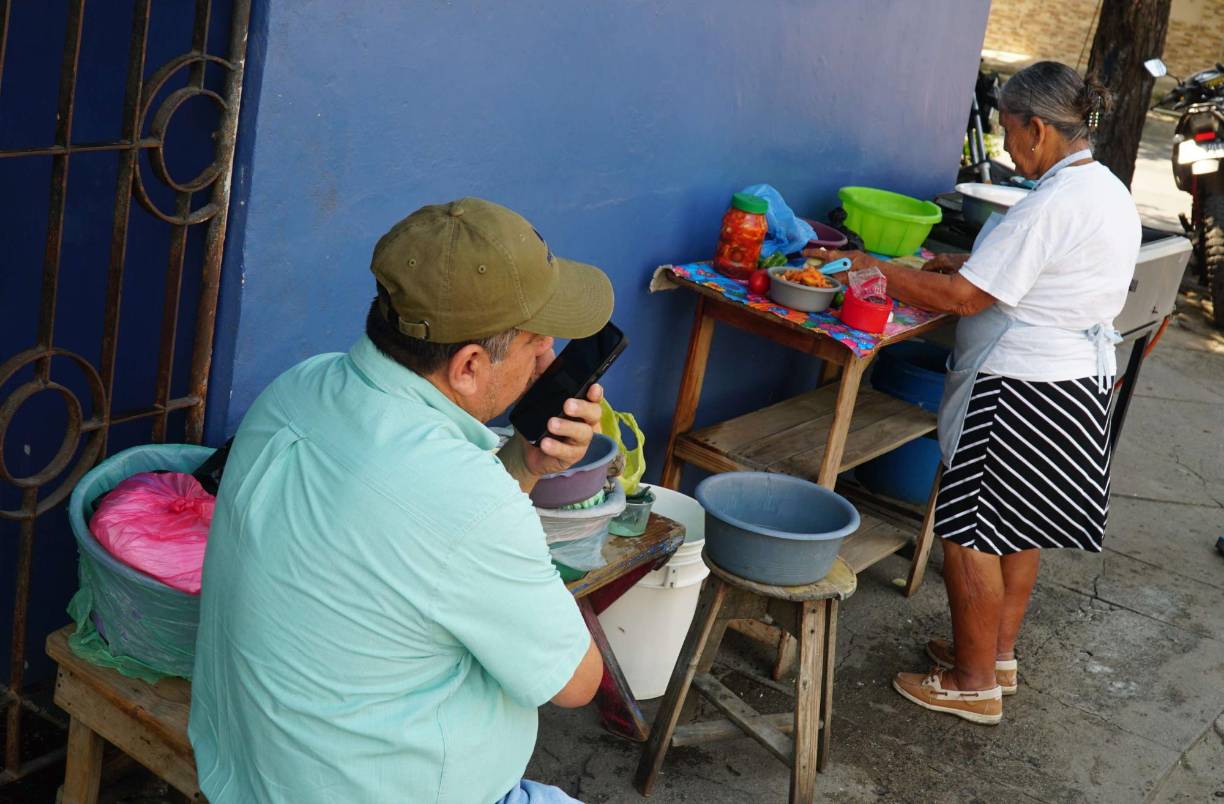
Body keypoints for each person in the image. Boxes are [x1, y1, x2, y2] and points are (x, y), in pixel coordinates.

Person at [188, 197, 615, 802]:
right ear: (468, 365)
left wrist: (523, 461)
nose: (547, 358)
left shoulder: (300, 385)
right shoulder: (468, 499)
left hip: (253, 774)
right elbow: (576, 684)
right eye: (535, 343)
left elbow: (422, 533)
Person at [866, 62, 1138, 724]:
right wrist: (968, 261)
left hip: (1018, 390)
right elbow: (1031, 274)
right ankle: (997, 656)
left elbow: (964, 300)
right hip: (1073, 387)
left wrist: (880, 270)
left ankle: (971, 682)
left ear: (1038, 127)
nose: (1006, 143)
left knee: (968, 534)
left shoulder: (1050, 204)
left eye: (1009, 128)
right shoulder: (1103, 189)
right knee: (1019, 528)